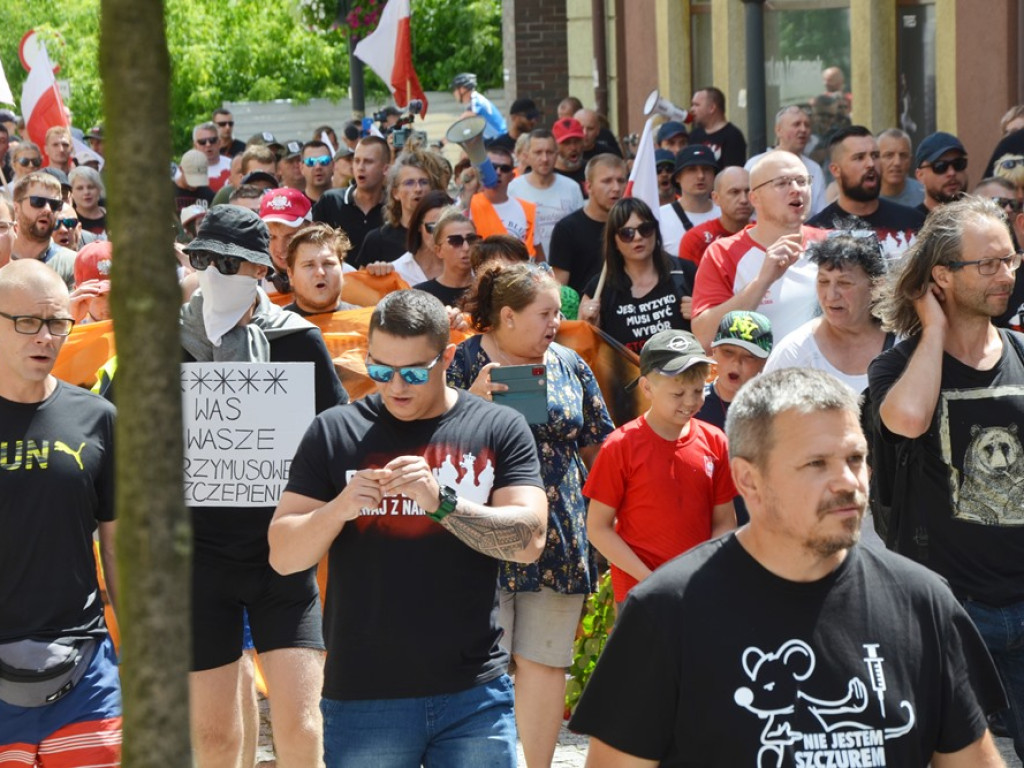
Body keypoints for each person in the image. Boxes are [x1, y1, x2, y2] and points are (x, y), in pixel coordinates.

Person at [570, 366, 1009, 767]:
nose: (847, 483)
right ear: (748, 481)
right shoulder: (666, 612)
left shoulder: (924, 602)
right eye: (816, 464)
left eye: (855, 459)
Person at [267, 288, 547, 767]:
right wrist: (337, 510)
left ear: (448, 356)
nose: (395, 386)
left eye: (414, 372)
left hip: (473, 692)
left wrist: (443, 505)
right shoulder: (335, 431)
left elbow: (529, 540)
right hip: (364, 695)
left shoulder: (496, 426)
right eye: (379, 370)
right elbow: (283, 555)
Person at [181, 205, 348, 767]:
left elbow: (338, 432)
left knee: (302, 728)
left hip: (283, 556)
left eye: (230, 262)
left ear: (259, 269)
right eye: (204, 259)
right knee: (213, 739)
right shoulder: (163, 342)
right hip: (199, 558)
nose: (215, 272)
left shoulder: (297, 340)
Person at [869, 195, 1024, 760]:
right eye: (988, 264)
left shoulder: (1022, 354)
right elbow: (907, 422)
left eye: (1011, 260)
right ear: (942, 276)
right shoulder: (895, 366)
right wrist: (933, 330)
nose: (1005, 275)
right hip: (950, 608)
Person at [449, 262, 613, 768]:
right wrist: (465, 404)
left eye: (556, 316)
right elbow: (424, 444)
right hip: (481, 538)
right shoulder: (461, 362)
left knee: (545, 664)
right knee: (481, 666)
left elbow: (600, 448)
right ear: (506, 316)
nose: (553, 325)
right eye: (544, 314)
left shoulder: (570, 362)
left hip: (559, 538)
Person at [0, 259, 121, 766]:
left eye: (56, 323)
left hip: (86, 669)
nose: (45, 337)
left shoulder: (97, 418)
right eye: (27, 322)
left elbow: (118, 549)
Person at [586, 328, 735, 607]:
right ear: (646, 387)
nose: (690, 402)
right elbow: (597, 528)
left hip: (698, 591)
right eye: (678, 393)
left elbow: (725, 522)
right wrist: (651, 580)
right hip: (641, 595)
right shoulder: (621, 446)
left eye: (697, 390)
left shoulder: (715, 441)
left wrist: (704, 573)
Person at [691, 150, 826, 349]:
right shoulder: (722, 253)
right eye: (782, 183)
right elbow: (704, 337)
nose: (796, 189)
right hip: (759, 379)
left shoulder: (831, 244)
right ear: (755, 198)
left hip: (824, 378)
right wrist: (762, 282)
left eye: (802, 181)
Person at [580, 197, 695, 353]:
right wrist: (589, 326)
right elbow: (582, 352)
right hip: (627, 377)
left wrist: (700, 315)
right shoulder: (598, 289)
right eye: (627, 233)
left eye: (645, 229)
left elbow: (712, 334)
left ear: (655, 231)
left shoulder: (685, 272)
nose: (638, 237)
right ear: (614, 241)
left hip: (683, 374)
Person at [695, 310, 773, 525]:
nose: (736, 365)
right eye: (728, 352)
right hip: (705, 529)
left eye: (748, 357)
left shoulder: (776, 411)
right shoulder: (692, 406)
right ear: (714, 351)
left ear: (764, 362)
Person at [807, 125, 926, 260]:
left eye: (875, 156)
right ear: (835, 170)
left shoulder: (914, 222)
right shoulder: (815, 232)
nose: (870, 163)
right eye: (859, 157)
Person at [549, 153, 627, 295]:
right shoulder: (567, 229)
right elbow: (559, 289)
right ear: (588, 187)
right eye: (607, 181)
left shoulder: (632, 228)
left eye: (621, 180)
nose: (616, 188)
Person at [508, 129, 584, 256]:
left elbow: (581, 231)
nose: (544, 159)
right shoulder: (513, 189)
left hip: (566, 267)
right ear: (527, 156)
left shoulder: (572, 188)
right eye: (538, 152)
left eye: (549, 152)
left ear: (556, 154)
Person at [355, 149, 435, 268]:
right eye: (409, 183)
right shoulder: (377, 240)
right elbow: (360, 284)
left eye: (423, 182)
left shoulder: (443, 235)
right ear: (395, 193)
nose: (418, 189)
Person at [745, 105, 828, 217]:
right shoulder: (755, 165)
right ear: (778, 130)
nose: (803, 129)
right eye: (796, 124)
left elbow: (820, 212)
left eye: (807, 125)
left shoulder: (814, 169)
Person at [313, 136, 389, 257]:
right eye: (356, 161)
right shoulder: (331, 201)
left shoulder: (396, 206)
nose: (360, 167)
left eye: (368, 161)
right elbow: (314, 248)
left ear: (385, 169)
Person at [468, 146, 541, 259]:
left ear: (512, 176)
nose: (498, 172)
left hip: (520, 274)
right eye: (492, 167)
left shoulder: (528, 209)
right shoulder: (470, 204)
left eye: (505, 168)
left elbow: (540, 257)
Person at [9, 172, 76, 290]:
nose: (47, 209)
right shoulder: (3, 256)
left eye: (55, 204)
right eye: (38, 202)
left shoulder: (72, 263)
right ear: (16, 209)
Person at [679, 166, 753, 266]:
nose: (743, 200)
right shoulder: (696, 240)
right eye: (734, 192)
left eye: (748, 191)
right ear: (716, 198)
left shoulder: (768, 234)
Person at [659, 144, 721, 257]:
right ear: (677, 177)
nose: (701, 176)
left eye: (706, 169)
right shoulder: (660, 217)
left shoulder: (726, 213)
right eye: (692, 170)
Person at [284, 223, 356, 316]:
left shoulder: (368, 323)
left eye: (328, 264)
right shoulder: (272, 327)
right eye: (309, 265)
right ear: (290, 275)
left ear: (341, 268)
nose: (320, 272)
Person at [414, 209, 479, 306]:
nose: (466, 247)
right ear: (438, 250)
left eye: (471, 239)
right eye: (455, 241)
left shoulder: (490, 290)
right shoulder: (420, 296)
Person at [391, 190, 453, 287]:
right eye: (432, 227)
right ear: (419, 226)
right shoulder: (397, 270)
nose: (438, 235)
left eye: (446, 228)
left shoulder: (465, 268)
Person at [688, 86, 747, 168]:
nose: (692, 109)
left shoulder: (732, 136)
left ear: (712, 108)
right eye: (692, 105)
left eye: (696, 105)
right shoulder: (694, 135)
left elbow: (732, 173)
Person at [914, 131, 968, 216]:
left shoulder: (980, 222)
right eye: (940, 166)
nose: (952, 172)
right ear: (920, 175)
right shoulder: (910, 225)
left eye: (958, 164)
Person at [451, 72, 507, 141]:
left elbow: (460, 124)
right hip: (492, 140)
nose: (453, 93)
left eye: (454, 89)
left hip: (500, 140)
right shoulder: (475, 99)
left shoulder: (476, 102)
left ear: (462, 89)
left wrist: (441, 143)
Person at [878, 128, 925, 208]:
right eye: (889, 155)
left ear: (910, 160)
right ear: (876, 159)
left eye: (903, 155)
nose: (897, 162)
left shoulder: (924, 195)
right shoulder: (865, 198)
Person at [190, 121, 232, 192]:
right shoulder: (186, 170)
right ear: (195, 146)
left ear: (219, 142)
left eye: (212, 140)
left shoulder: (233, 166)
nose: (208, 144)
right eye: (202, 142)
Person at [68, 166, 107, 237]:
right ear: (71, 193)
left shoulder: (114, 217)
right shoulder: (69, 222)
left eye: (91, 187)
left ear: (99, 190)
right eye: (80, 188)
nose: (86, 192)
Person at [551, 118, 587, 191]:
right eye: (566, 143)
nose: (573, 148)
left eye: (577, 141)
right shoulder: (547, 174)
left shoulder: (591, 171)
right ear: (555, 145)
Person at [300, 140, 334, 204]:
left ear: (333, 165)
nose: (318, 167)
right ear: (301, 168)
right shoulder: (297, 205)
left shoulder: (345, 202)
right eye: (311, 162)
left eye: (324, 160)